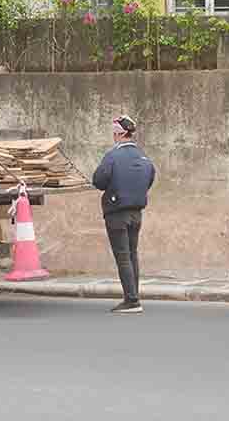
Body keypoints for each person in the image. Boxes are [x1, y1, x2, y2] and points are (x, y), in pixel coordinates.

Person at [92, 116, 156, 314]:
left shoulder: (112, 156)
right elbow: (150, 177)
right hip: (136, 213)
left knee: (123, 257)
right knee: (132, 254)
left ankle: (132, 300)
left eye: (114, 134)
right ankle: (134, 296)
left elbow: (99, 181)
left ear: (119, 134)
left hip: (116, 213)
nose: (113, 137)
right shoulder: (144, 157)